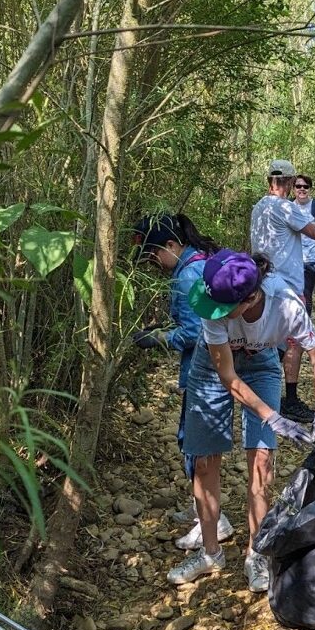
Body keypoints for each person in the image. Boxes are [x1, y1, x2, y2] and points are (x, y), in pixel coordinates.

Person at [166, 249, 315, 592]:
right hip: (212, 368)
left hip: (261, 364)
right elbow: (228, 378)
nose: (216, 311)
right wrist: (273, 417)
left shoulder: (285, 305)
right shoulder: (213, 304)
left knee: (262, 460)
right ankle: (210, 551)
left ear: (249, 298)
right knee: (203, 461)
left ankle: (256, 554)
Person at [130, 213, 235, 551]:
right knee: (194, 442)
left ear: (172, 246)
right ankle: (200, 510)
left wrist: (155, 338)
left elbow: (194, 332)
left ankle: (212, 522)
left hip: (203, 371)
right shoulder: (195, 265)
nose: (152, 263)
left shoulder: (188, 274)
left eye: (153, 255)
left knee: (195, 445)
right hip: (210, 367)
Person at [250, 160, 315, 423]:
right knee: (296, 343)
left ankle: (266, 396)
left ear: (269, 180)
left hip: (262, 283)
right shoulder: (284, 207)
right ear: (288, 183)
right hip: (286, 286)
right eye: (293, 183)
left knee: (268, 339)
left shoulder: (258, 207)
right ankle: (290, 399)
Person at [293, 173, 315, 317]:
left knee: (306, 294)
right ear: (293, 188)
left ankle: (305, 330)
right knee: (293, 295)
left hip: (312, 259)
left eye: (305, 186)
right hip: (293, 259)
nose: (302, 189)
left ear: (310, 189)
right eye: (298, 186)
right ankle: (292, 328)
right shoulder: (288, 206)